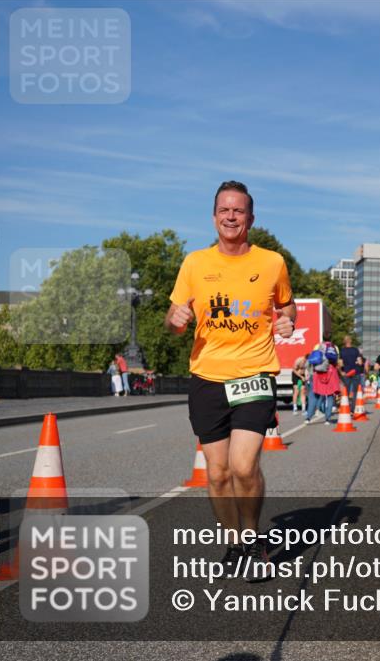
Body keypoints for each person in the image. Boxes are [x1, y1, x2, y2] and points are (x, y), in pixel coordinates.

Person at [165, 180, 295, 580]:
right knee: (218, 473)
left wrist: (288, 321)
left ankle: (254, 542)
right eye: (224, 210)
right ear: (214, 217)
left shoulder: (271, 262)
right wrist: (175, 320)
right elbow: (173, 320)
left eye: (238, 210)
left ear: (250, 218)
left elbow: (287, 305)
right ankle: (235, 543)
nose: (231, 216)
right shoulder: (195, 264)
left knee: (242, 466)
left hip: (254, 373)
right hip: (207, 377)